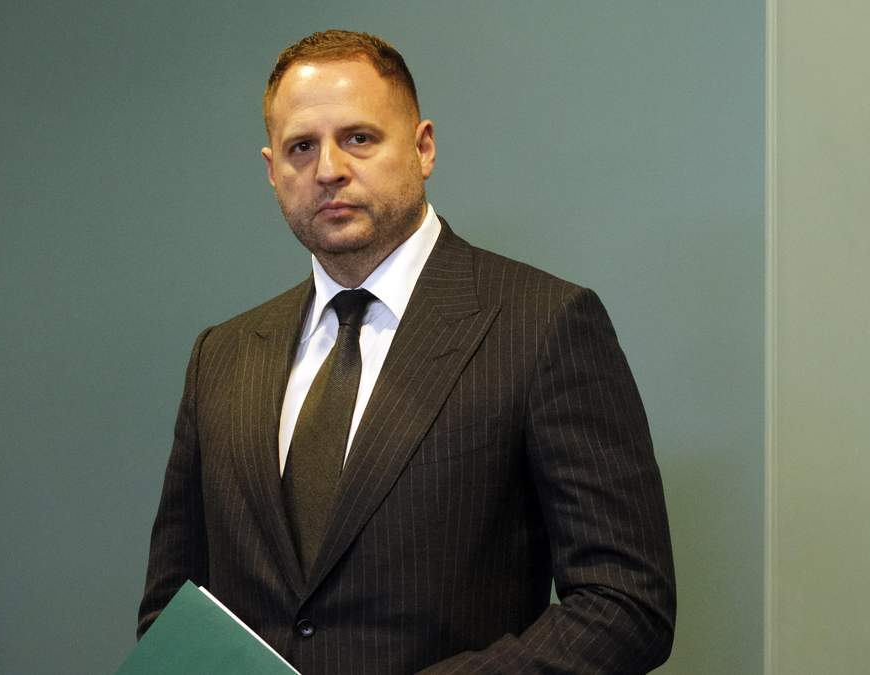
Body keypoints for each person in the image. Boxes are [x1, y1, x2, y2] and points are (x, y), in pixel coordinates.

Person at [138, 30, 675, 674]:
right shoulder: (222, 356)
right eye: (301, 147)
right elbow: (173, 615)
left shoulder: (543, 324)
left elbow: (626, 605)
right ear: (272, 170)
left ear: (423, 148)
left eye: (359, 138)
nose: (328, 169)